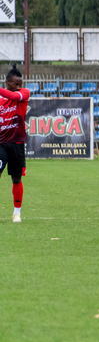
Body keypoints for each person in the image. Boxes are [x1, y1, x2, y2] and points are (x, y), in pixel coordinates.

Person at [0, 64, 29, 223]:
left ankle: (16, 213)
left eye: (20, 84)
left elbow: (13, 97)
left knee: (16, 179)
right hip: (1, 144)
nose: (18, 87)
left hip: (17, 144)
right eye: (15, 84)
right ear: (7, 83)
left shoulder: (24, 94)